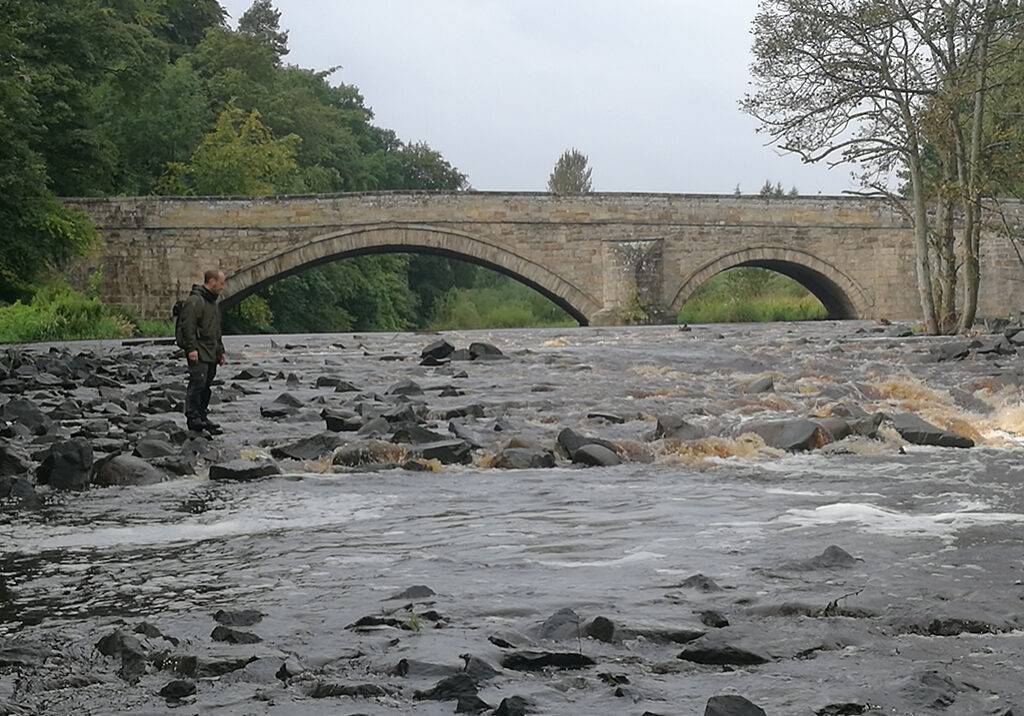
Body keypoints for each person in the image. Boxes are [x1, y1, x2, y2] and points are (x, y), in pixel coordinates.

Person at [179, 269, 226, 434]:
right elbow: (188, 327)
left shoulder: (213, 303)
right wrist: (191, 349)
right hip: (198, 351)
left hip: (211, 352)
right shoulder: (195, 301)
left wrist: (220, 352)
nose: (222, 287)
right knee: (197, 383)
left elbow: (216, 331)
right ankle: (192, 418)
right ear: (212, 281)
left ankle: (202, 415)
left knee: (206, 385)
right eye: (221, 283)